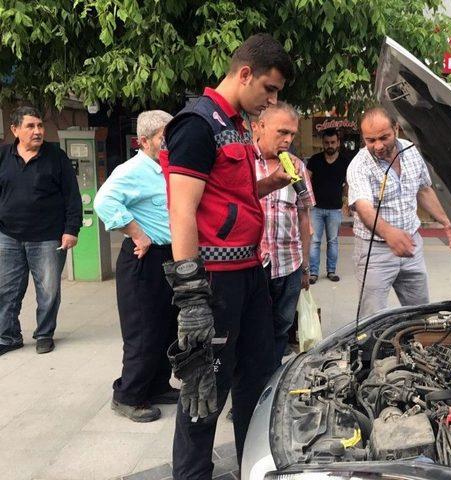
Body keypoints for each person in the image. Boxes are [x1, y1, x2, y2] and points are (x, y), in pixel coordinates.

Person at [159, 34, 294, 480]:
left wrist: (270, 185)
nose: (271, 100)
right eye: (269, 89)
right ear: (244, 73)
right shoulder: (197, 124)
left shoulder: (234, 124)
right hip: (214, 281)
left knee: (257, 382)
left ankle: (251, 468)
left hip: (249, 274)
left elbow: (227, 196)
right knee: (205, 389)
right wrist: (191, 297)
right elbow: (182, 209)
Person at [94, 110, 178, 423]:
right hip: (143, 258)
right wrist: (137, 233)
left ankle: (157, 385)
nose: (169, 143)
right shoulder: (132, 170)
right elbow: (103, 202)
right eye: (163, 137)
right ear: (144, 141)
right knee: (143, 330)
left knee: (167, 325)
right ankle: (128, 395)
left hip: (169, 256)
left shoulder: (166, 169)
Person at [347, 107, 451, 318]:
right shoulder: (358, 166)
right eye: (370, 140)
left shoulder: (411, 151)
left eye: (384, 137)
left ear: (396, 129)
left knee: (421, 312)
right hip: (375, 253)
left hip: (412, 246)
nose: (378, 146)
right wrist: (389, 234)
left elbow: (424, 190)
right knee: (372, 318)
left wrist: (447, 221)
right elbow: (364, 208)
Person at [0, 106, 82, 356]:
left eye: (40, 126)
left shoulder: (56, 156)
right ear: (15, 130)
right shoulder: (3, 156)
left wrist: (71, 230)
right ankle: (8, 336)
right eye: (30, 126)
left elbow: (72, 196)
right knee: (6, 289)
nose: (37, 131)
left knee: (48, 289)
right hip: (8, 236)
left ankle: (44, 334)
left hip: (48, 237)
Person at [253, 102, 314, 365]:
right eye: (282, 133)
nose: (288, 140)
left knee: (282, 325)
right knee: (251, 331)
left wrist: (305, 265)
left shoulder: (297, 166)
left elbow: (304, 215)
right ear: (259, 127)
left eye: (292, 134)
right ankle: (248, 388)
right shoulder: (242, 163)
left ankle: (272, 375)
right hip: (253, 265)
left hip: (289, 263)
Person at [306, 128, 350, 284]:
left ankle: (331, 271)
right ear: (322, 143)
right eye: (326, 143)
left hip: (335, 209)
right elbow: (307, 181)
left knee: (333, 241)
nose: (329, 145)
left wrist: (345, 201)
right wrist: (307, 201)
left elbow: (348, 183)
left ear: (338, 142)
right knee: (315, 241)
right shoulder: (315, 160)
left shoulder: (345, 161)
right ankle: (313, 273)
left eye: (332, 142)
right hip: (316, 208)